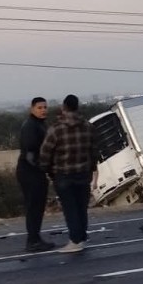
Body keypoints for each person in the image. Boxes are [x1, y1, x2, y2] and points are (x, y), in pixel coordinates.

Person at [39, 94, 98, 254]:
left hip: (63, 175)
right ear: (77, 107)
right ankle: (82, 236)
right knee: (81, 207)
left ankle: (75, 240)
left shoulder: (56, 130)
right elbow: (94, 151)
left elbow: (45, 154)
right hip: (83, 174)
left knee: (70, 208)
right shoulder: (88, 127)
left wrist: (47, 170)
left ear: (63, 107)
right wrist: (91, 169)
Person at [17, 97, 54, 252]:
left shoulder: (40, 125)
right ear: (32, 109)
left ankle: (36, 238)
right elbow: (30, 154)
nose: (43, 110)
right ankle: (32, 241)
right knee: (33, 206)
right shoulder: (30, 126)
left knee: (38, 207)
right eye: (39, 107)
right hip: (30, 172)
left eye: (45, 107)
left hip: (36, 171)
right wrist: (43, 168)